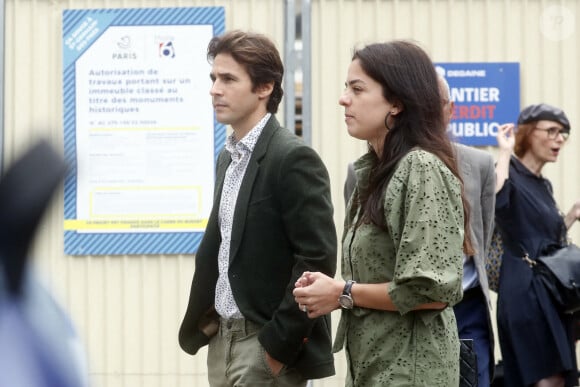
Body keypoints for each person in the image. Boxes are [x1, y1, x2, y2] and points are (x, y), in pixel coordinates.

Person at [293, 40, 473, 386]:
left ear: (397, 103)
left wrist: (342, 292)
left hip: (412, 372)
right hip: (373, 368)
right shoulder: (372, 173)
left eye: (357, 89)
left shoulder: (420, 168)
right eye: (346, 87)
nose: (343, 98)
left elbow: (432, 291)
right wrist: (330, 289)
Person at [178, 30, 337, 386]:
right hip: (222, 340)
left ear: (264, 87)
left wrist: (276, 349)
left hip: (263, 343)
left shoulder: (293, 157)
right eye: (213, 78)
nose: (215, 89)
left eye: (228, 79)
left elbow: (316, 259)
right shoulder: (228, 157)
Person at [494, 103, 580, 387]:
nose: (559, 140)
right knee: (546, 378)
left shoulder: (543, 185)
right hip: (526, 291)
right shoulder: (509, 172)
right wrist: (505, 152)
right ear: (529, 134)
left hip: (549, 290)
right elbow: (497, 201)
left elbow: (546, 241)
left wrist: (569, 217)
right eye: (552, 131)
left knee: (557, 378)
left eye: (563, 134)